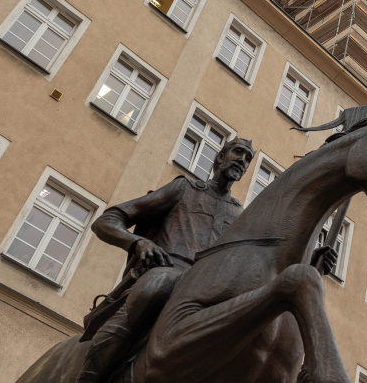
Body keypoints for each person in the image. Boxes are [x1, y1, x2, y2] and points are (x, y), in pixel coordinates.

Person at [76, 137, 255, 383]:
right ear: (220, 157)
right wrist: (138, 242)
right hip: (168, 274)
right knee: (157, 287)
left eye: (248, 159)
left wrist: (310, 261)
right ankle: (88, 377)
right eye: (238, 152)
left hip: (209, 290)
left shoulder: (239, 214)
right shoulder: (185, 189)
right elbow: (107, 221)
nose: (242, 161)